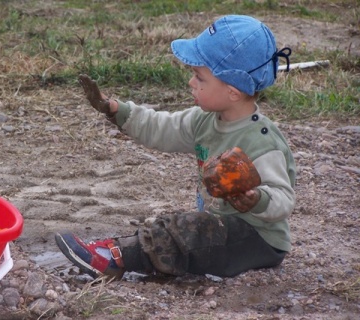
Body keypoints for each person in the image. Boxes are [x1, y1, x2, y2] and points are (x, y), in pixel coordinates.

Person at [55, 15, 296, 280]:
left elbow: (283, 199)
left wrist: (256, 198)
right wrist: (116, 110)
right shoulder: (204, 120)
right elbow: (162, 127)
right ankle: (139, 255)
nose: (191, 82)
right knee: (192, 228)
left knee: (187, 228)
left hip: (257, 239)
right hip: (219, 229)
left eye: (199, 77)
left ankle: (115, 259)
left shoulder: (262, 140)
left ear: (233, 91)